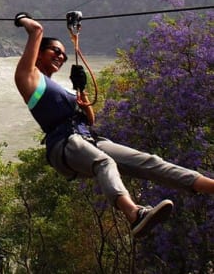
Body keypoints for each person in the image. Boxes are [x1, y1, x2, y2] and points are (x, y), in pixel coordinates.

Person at [13, 12, 214, 238]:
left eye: (64, 55)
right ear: (38, 54)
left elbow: (90, 120)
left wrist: (81, 90)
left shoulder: (60, 88)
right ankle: (135, 214)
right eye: (55, 51)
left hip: (87, 138)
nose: (61, 56)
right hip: (63, 145)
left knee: (149, 162)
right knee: (104, 162)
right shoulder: (28, 78)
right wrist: (22, 18)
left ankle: (209, 186)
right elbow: (36, 30)